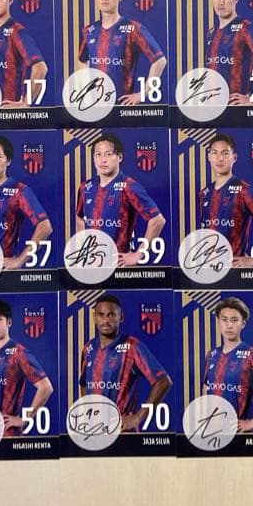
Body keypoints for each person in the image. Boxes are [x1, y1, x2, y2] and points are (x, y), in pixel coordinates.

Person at [79, 294, 171, 431]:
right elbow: (84, 383)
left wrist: (138, 417)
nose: (105, 321)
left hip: (122, 432)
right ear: (94, 317)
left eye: (111, 315)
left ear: (121, 317)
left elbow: (163, 381)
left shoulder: (132, 346)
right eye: (101, 315)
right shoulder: (88, 348)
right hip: (94, 431)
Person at [75, 134, 165, 266]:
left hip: (119, 265)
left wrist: (138, 254)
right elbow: (79, 217)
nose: (103, 160)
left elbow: (157, 220)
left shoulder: (129, 186)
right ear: (93, 158)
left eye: (108, 154)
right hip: (94, 265)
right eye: (98, 155)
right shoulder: (86, 187)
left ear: (119, 157)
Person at [76, 0, 166, 105]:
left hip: (121, 106)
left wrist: (143, 94)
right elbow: (82, 60)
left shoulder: (133, 28)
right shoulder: (88, 31)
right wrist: (86, 90)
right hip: (96, 106)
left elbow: (160, 60)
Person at [0, 136, 52, 270]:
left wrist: (19, 260)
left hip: (4, 270)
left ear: (8, 161)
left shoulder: (19, 190)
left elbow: (45, 227)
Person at [0, 299, 53, 435]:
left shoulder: (18, 353)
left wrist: (24, 419)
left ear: (9, 322)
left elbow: (46, 387)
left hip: (8, 434)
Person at [201, 297, 253, 432]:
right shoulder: (211, 355)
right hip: (211, 432)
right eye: (224, 319)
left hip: (236, 432)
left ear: (243, 323)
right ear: (218, 321)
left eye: (234, 320)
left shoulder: (251, 354)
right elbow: (206, 387)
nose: (229, 325)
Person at [198, 133, 253, 268]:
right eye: (215, 153)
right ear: (209, 157)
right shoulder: (204, 193)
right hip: (209, 268)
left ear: (234, 158)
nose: (220, 158)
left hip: (233, 269)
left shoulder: (243, 190)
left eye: (225, 153)